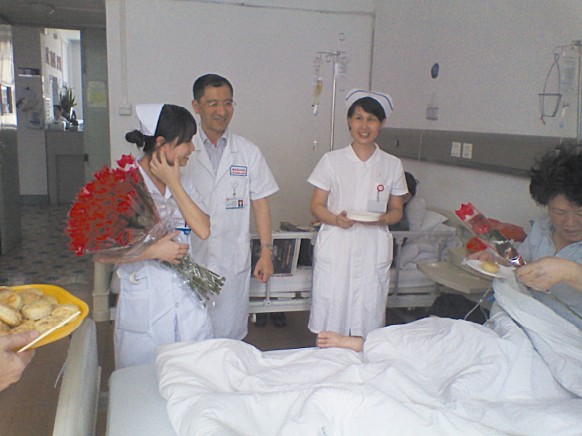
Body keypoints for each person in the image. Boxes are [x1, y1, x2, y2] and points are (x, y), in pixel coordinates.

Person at [113, 103, 213, 369]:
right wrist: (155, 252)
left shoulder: (183, 182)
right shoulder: (125, 185)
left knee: (192, 375)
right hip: (146, 304)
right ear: (161, 143)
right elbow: (105, 252)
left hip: (187, 301)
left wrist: (174, 183)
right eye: (186, 141)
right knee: (144, 380)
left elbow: (203, 229)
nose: (192, 148)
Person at [307, 89, 408, 339]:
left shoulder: (392, 164)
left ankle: (363, 358)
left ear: (381, 124)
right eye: (358, 118)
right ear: (349, 121)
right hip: (337, 243)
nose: (364, 126)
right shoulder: (331, 160)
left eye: (371, 119)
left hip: (373, 244)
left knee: (368, 316)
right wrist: (336, 219)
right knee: (332, 312)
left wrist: (383, 219)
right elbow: (316, 205)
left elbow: (397, 210)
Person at [186, 74, 279, 339]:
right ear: (196, 106)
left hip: (231, 258)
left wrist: (266, 252)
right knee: (191, 333)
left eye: (227, 103)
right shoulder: (183, 149)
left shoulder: (247, 151)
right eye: (213, 103)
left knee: (228, 334)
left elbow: (260, 203)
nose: (222, 111)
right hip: (192, 256)